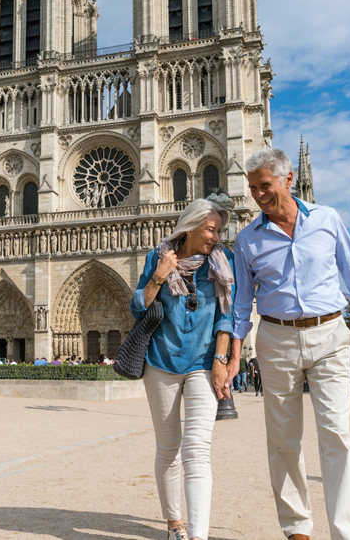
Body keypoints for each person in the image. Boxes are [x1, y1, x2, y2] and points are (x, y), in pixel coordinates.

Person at [227, 148, 350, 540]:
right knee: (283, 438)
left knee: (336, 432)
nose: (257, 195)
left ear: (289, 180)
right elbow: (241, 303)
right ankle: (297, 529)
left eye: (264, 186)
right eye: (253, 188)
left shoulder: (327, 219)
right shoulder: (246, 240)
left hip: (330, 336)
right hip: (276, 336)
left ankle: (348, 533)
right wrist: (235, 354)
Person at [130, 198, 235, 540]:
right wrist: (159, 277)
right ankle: (176, 524)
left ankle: (199, 535)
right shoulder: (157, 258)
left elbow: (227, 317)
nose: (216, 237)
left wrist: (221, 361)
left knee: (197, 448)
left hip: (204, 363)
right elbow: (137, 308)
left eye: (219, 230)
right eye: (210, 229)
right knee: (168, 447)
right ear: (189, 227)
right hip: (161, 361)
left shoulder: (223, 263)